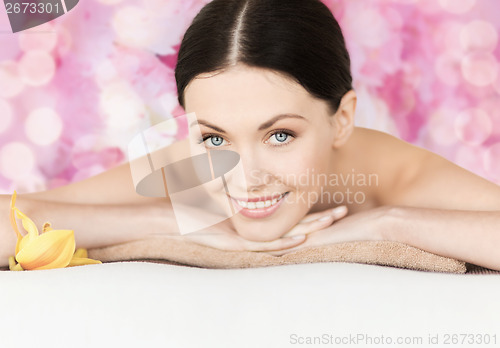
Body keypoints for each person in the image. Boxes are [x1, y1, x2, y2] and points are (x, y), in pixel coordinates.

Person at [1, 0, 500, 270]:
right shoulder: (192, 171)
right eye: (215, 137)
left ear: (341, 119)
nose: (248, 178)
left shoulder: (390, 173)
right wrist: (176, 221)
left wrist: (391, 224)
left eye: (280, 135)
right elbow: (15, 219)